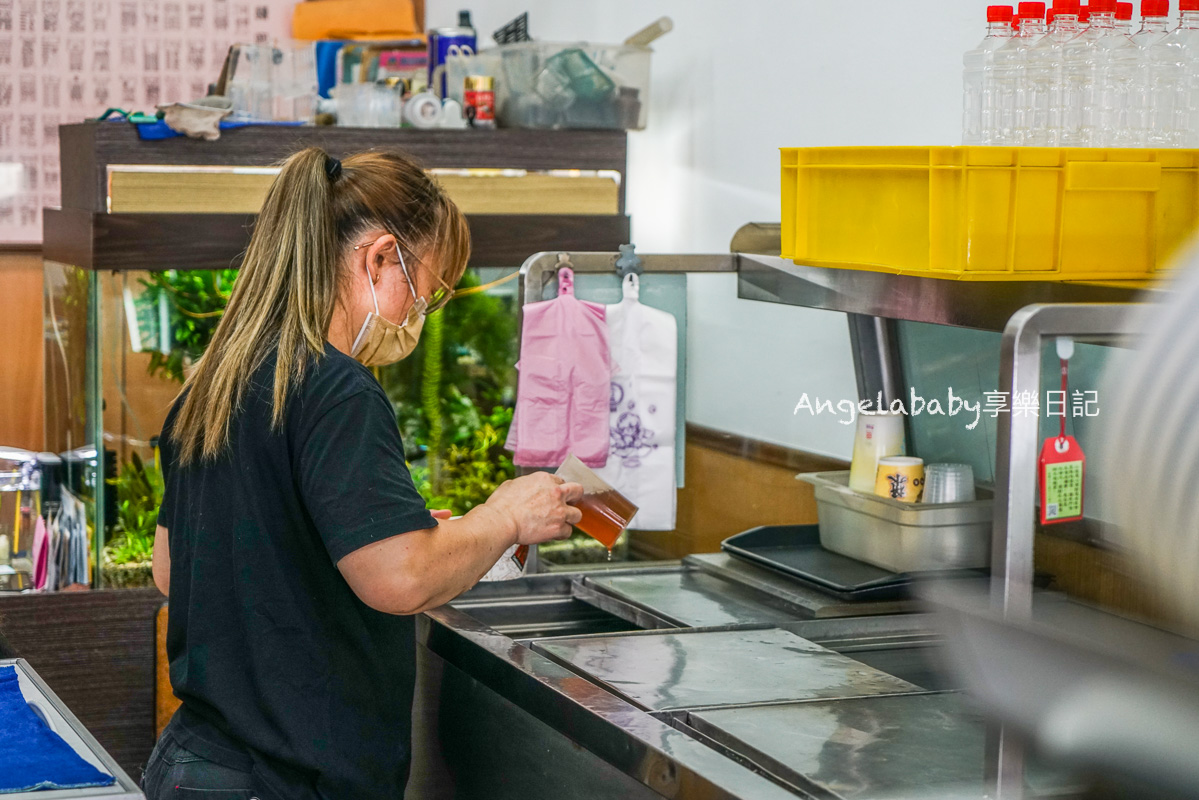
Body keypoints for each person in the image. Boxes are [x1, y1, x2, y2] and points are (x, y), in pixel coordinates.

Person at [141, 148, 583, 800]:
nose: (415, 317)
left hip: (195, 766)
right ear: (379, 259)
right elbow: (399, 577)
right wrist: (505, 516)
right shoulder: (336, 388)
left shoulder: (217, 379)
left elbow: (172, 569)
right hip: (285, 780)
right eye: (423, 294)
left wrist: (346, 535)